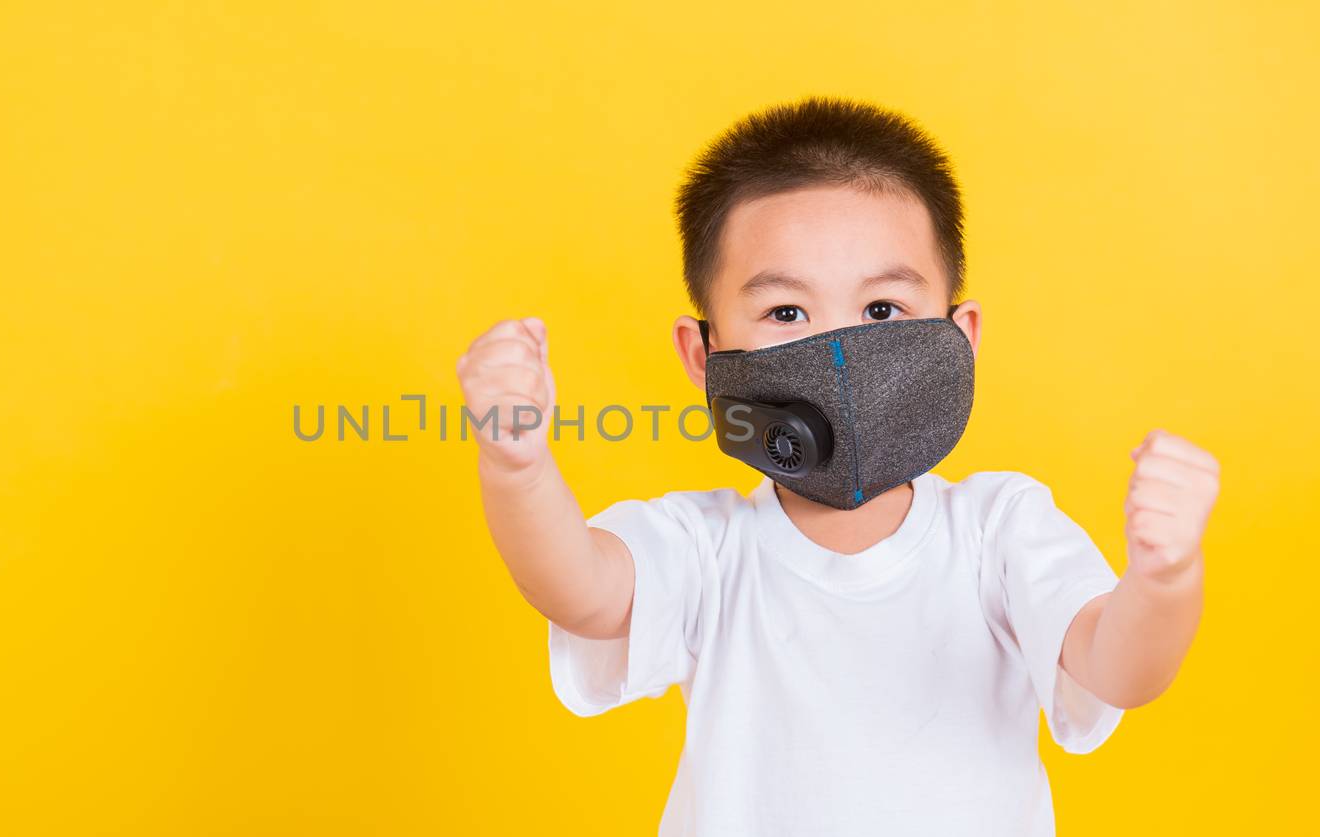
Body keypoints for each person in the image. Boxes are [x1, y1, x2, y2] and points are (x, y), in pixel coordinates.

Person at [455, 96, 1219, 836]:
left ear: (962, 335)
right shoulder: (707, 546)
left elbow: (1116, 666)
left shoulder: (999, 530)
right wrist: (517, 467)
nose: (840, 355)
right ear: (706, 353)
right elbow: (580, 589)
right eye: (787, 312)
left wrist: (1165, 577)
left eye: (883, 310)